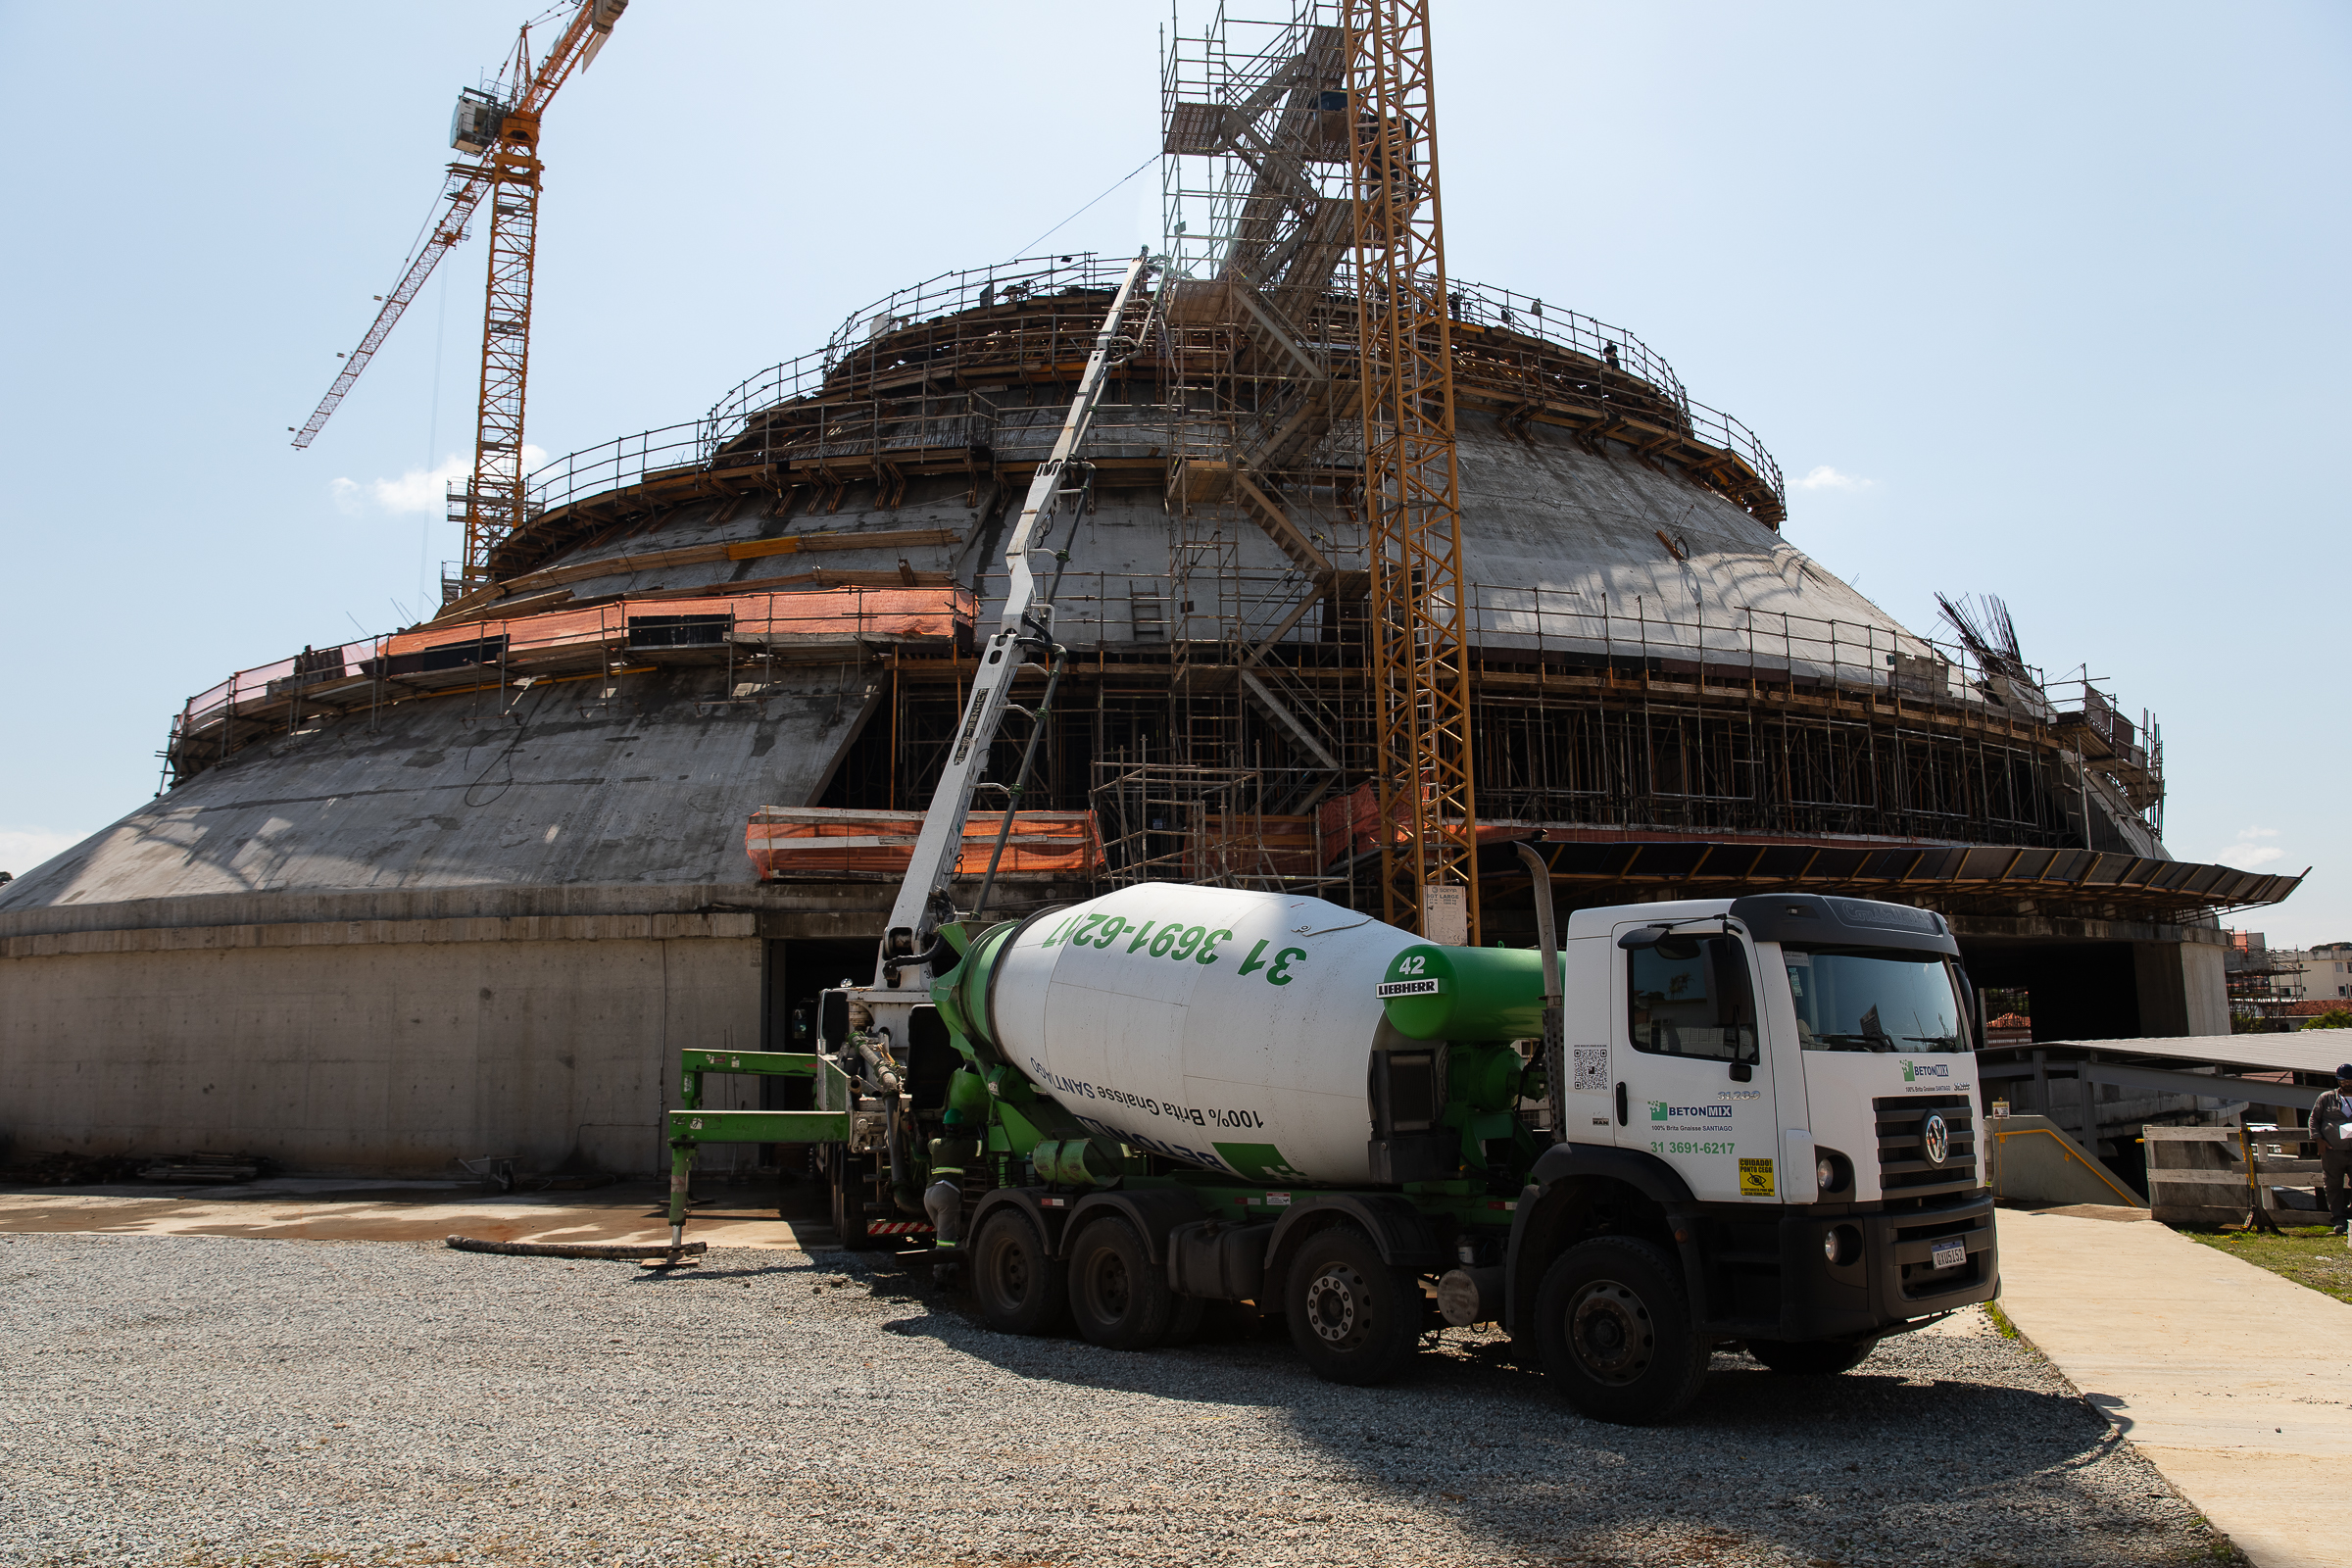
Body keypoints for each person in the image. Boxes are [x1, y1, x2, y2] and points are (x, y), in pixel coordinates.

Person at [2316, 1064, 2352, 1234]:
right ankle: (2339, 1220)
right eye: (2344, 1081)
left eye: (2350, 1080)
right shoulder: (2326, 1098)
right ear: (2339, 1081)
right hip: (2332, 1151)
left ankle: (2350, 1213)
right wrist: (2318, 1139)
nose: (2348, 1084)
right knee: (2332, 1186)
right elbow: (2313, 1120)